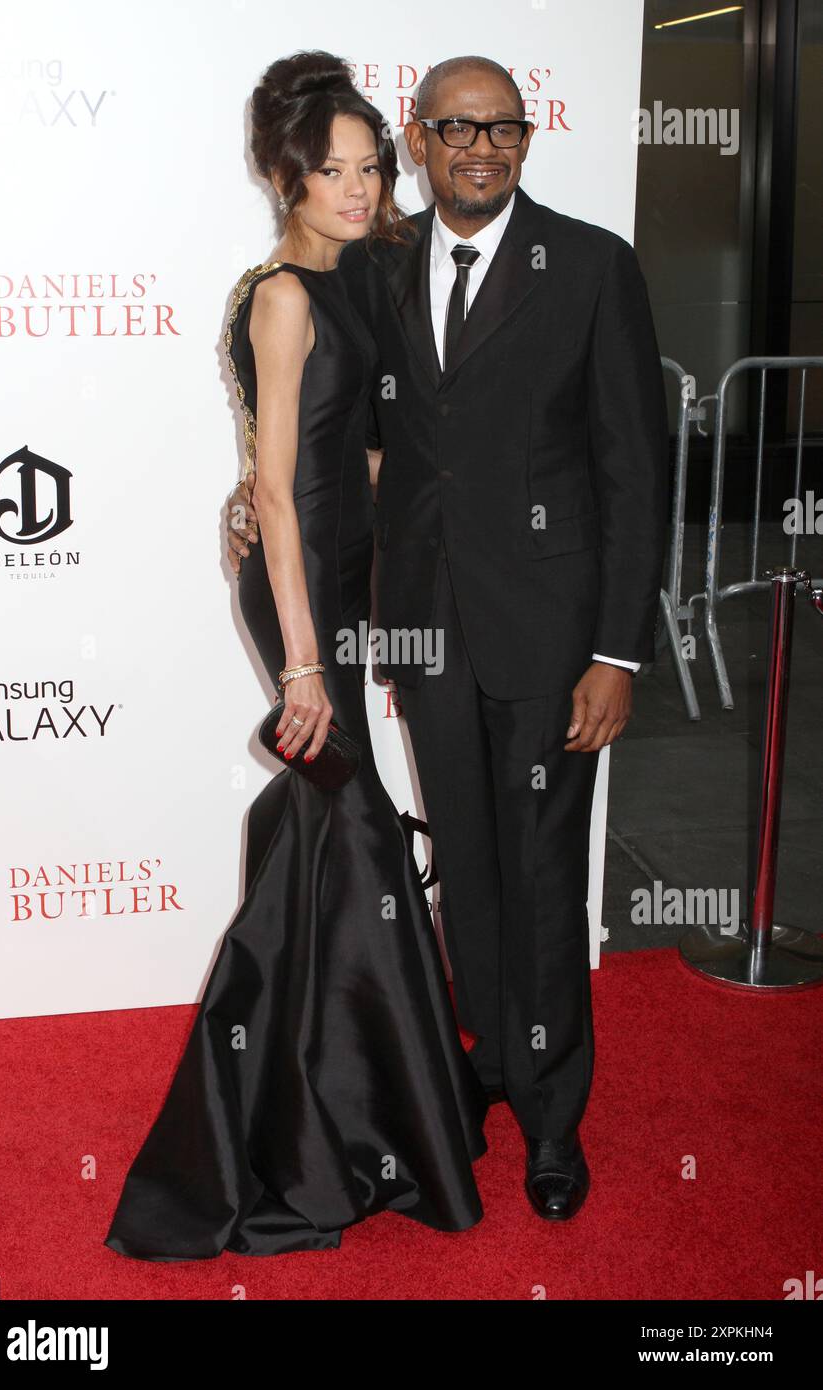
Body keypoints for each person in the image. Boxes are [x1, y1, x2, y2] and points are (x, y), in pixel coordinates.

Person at [228, 54, 670, 1222]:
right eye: (453, 130)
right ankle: (481, 1069)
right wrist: (258, 493)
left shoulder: (588, 268)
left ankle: (552, 1117)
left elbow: (636, 472)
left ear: (524, 140)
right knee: (463, 867)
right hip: (423, 628)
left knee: (540, 875)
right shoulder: (377, 265)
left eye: (501, 129)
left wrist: (617, 652)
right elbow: (334, 418)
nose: (479, 148)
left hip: (552, 636)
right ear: (418, 140)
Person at [104, 51, 487, 1262]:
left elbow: (360, 447)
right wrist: (309, 667)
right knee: (358, 824)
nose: (361, 189)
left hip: (352, 577)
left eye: (372, 167)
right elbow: (274, 491)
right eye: (334, 172)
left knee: (335, 839)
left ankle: (334, 1099)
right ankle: (317, 1120)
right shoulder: (280, 293)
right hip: (298, 597)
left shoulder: (362, 276)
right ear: (284, 177)